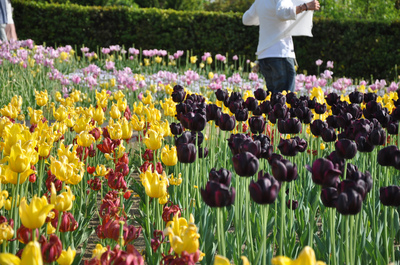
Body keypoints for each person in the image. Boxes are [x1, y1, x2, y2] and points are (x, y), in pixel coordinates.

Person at [243, 0, 320, 94]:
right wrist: (305, 6)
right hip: (280, 54)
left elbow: (246, 19)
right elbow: (282, 13)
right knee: (284, 101)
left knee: (272, 101)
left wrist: (267, 17)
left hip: (264, 57)